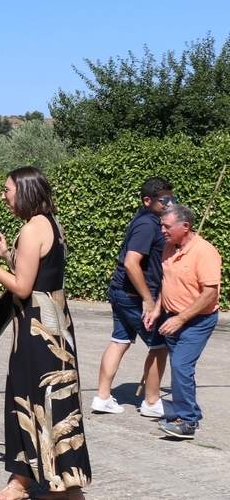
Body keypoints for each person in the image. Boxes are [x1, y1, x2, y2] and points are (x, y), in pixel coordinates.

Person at [0, 167, 90, 500]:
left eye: (7, 189)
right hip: (53, 325)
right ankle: (22, 480)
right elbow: (39, 272)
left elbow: (22, 287)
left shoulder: (33, 228)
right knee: (27, 397)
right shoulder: (50, 223)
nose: (3, 195)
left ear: (25, 191)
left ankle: (64, 489)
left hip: (39, 331)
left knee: (43, 400)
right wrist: (8, 254)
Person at [92, 177, 172, 417]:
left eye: (171, 198)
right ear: (147, 200)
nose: (169, 203)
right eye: (164, 200)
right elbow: (131, 263)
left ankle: (103, 398)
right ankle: (151, 403)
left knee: (120, 340)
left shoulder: (144, 219)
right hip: (134, 297)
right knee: (159, 345)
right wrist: (148, 299)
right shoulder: (148, 224)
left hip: (120, 291)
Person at [144, 204, 222, 440]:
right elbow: (165, 284)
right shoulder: (169, 247)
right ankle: (189, 413)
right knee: (180, 369)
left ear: (185, 226)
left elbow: (210, 293)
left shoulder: (205, 252)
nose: (162, 231)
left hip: (197, 321)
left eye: (167, 226)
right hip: (172, 317)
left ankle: (186, 422)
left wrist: (180, 318)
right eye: (161, 226)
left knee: (181, 367)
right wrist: (158, 309)